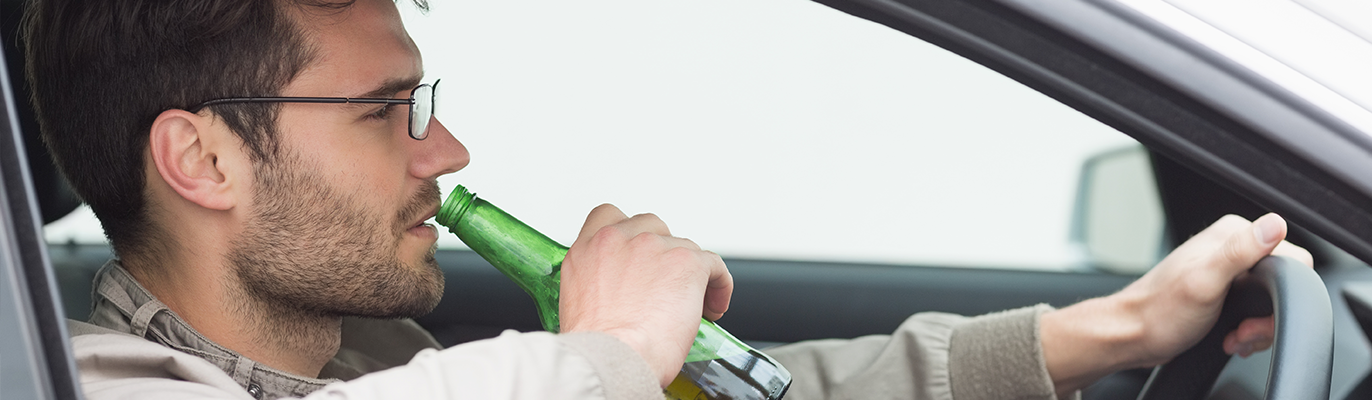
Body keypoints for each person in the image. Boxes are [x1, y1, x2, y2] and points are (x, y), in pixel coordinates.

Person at [22, 0, 1311, 399]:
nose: (446, 151)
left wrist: (1112, 330)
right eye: (384, 111)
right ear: (202, 161)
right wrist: (610, 348)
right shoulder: (82, 384)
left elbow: (775, 391)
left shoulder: (372, 359)